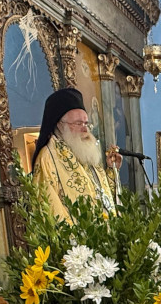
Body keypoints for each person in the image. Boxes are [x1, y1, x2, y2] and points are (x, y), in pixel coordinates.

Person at [31, 88, 121, 220]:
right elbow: (48, 208)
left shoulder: (85, 152)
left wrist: (112, 171)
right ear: (60, 125)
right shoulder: (48, 158)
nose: (85, 129)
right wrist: (77, 240)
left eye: (86, 123)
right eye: (78, 123)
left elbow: (104, 198)